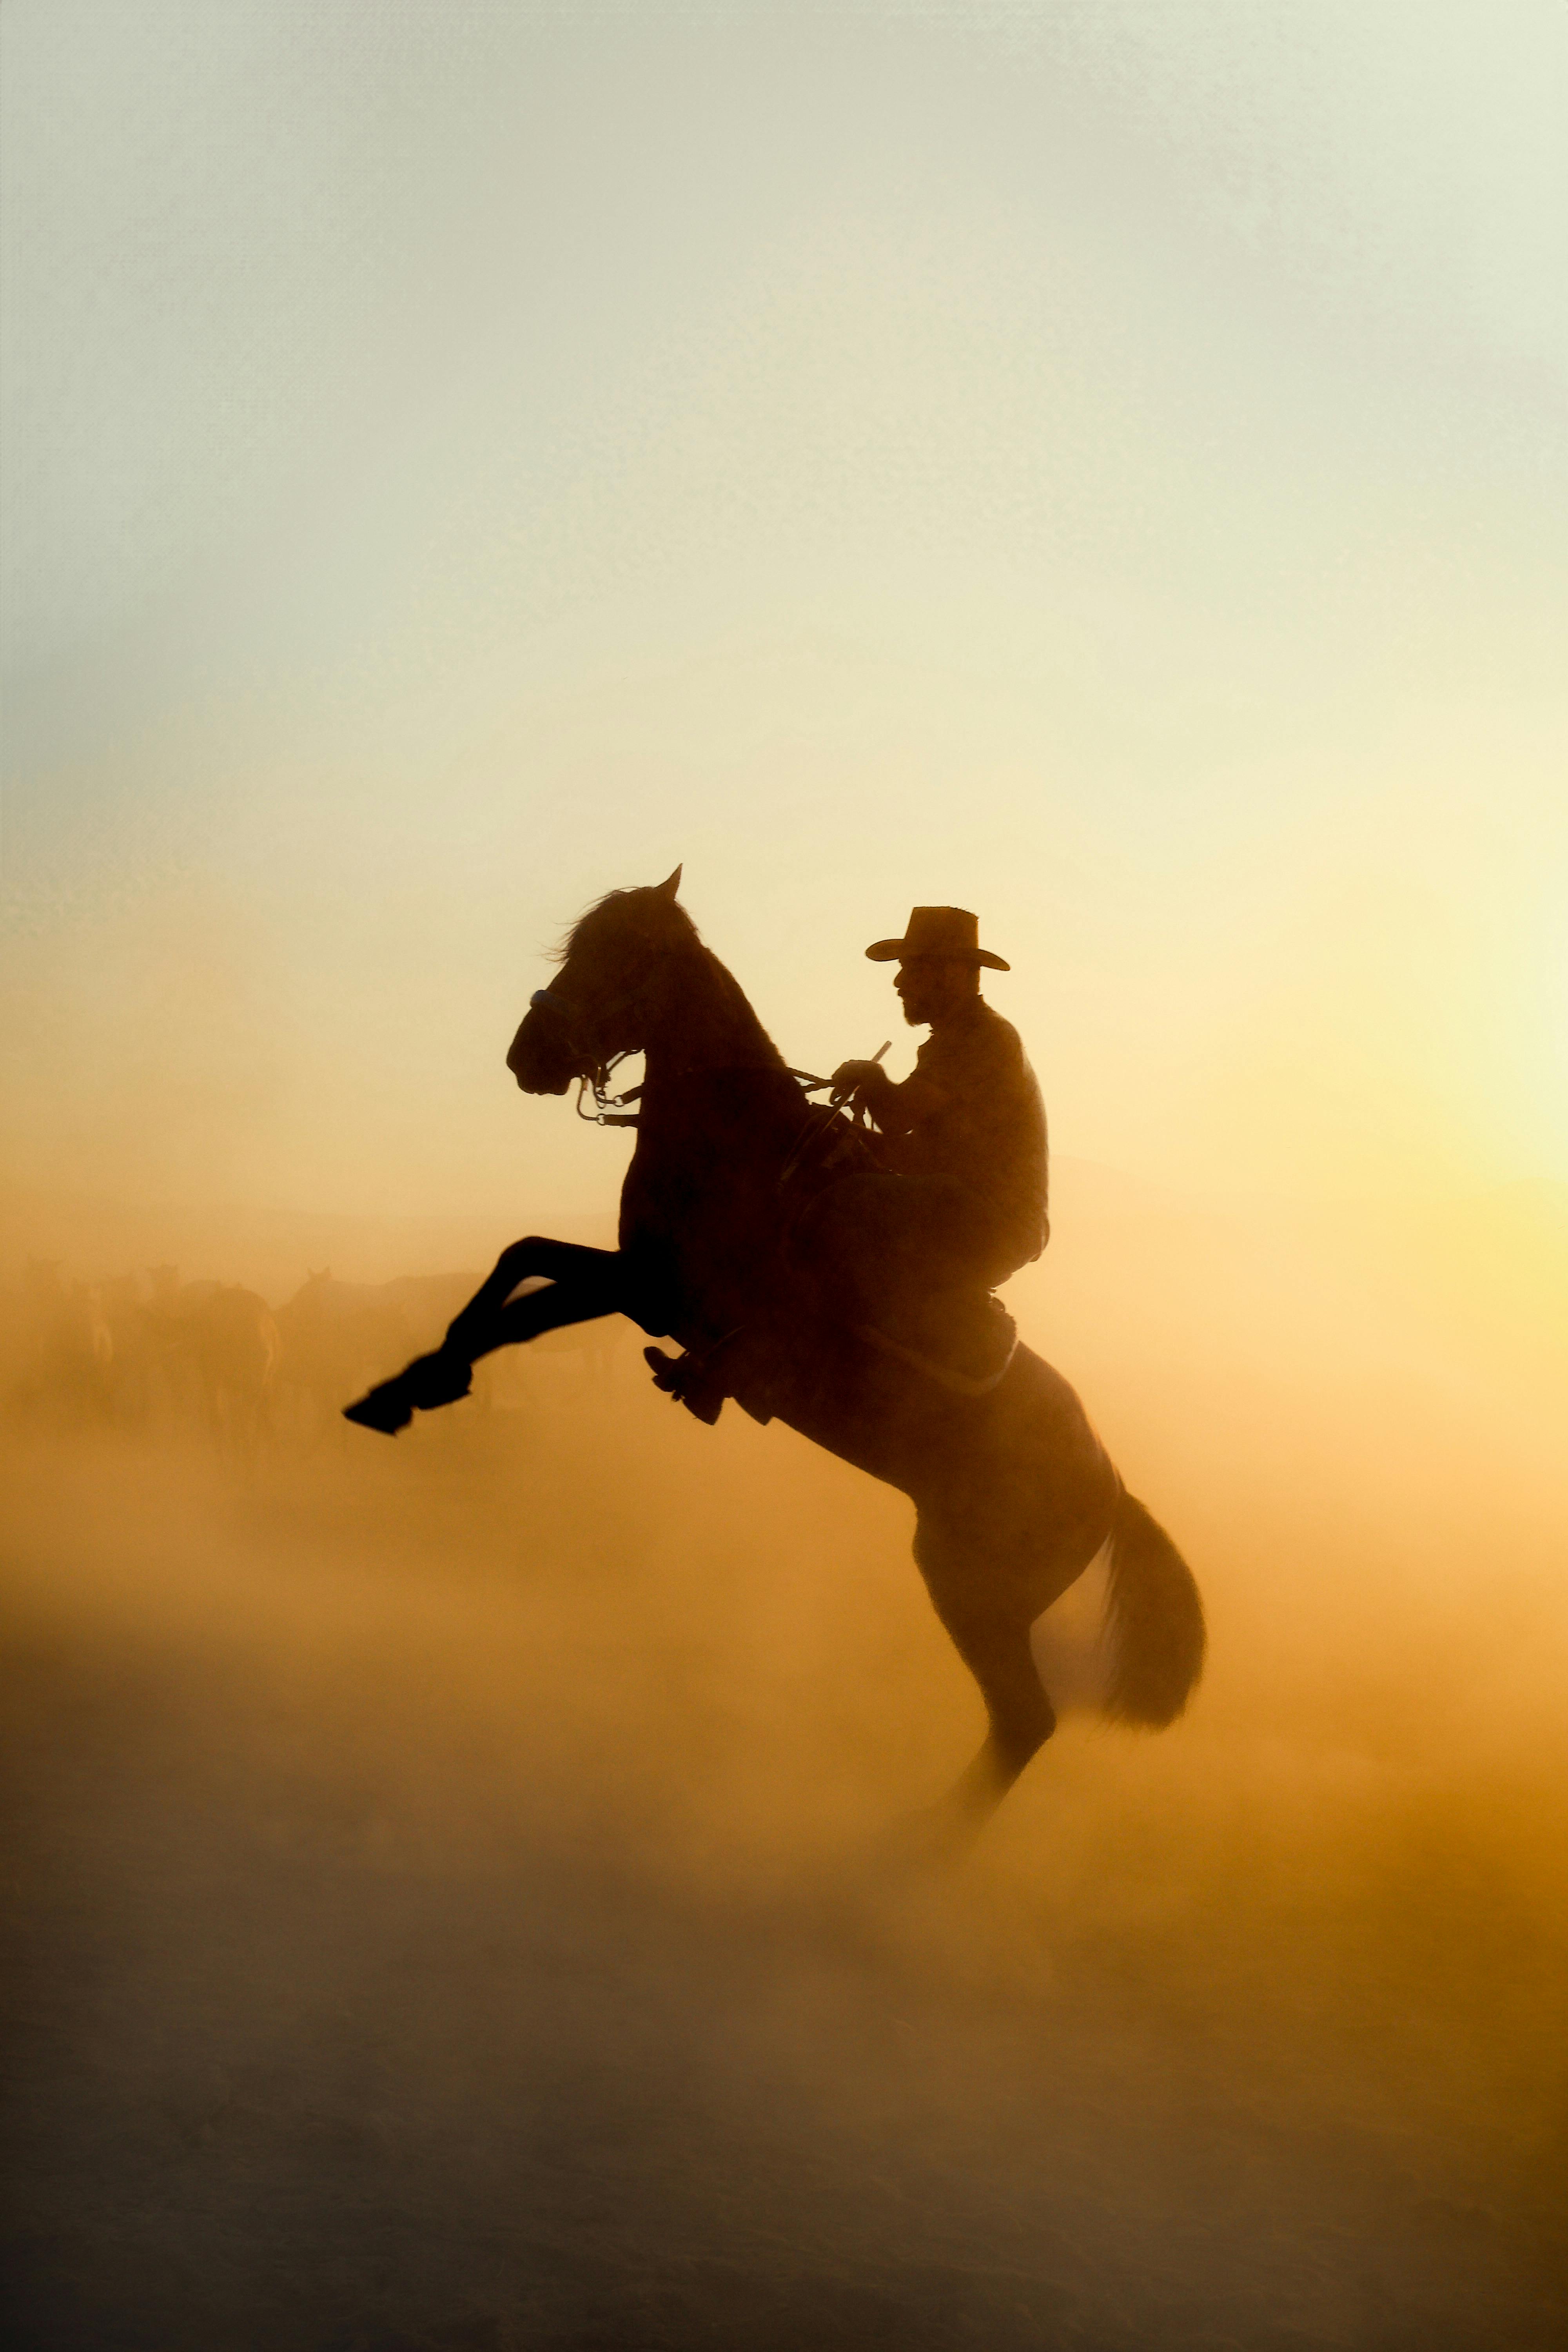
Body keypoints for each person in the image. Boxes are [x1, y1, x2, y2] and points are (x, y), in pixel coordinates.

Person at [801, 905, 1048, 1361]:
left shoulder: (981, 1038)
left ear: (954, 972)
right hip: (969, 1205)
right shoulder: (956, 1040)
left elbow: (896, 1117)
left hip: (991, 1220)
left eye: (912, 968)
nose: (899, 983)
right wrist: (845, 1133)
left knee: (844, 1204)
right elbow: (916, 1154)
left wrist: (870, 1077)